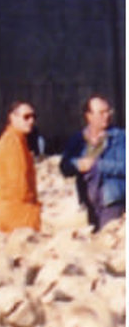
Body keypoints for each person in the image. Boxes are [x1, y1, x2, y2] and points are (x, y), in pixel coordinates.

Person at [59, 94, 125, 231]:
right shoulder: (78, 139)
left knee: (108, 236)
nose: (106, 116)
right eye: (101, 112)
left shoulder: (120, 137)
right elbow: (65, 167)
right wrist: (77, 164)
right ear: (89, 116)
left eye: (108, 111)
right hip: (89, 201)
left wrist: (97, 165)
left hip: (112, 200)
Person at [0, 101, 41, 233]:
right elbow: (19, 184)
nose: (31, 121)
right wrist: (31, 207)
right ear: (12, 117)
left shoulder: (18, 140)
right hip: (18, 214)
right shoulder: (12, 143)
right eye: (26, 117)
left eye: (33, 117)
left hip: (16, 211)